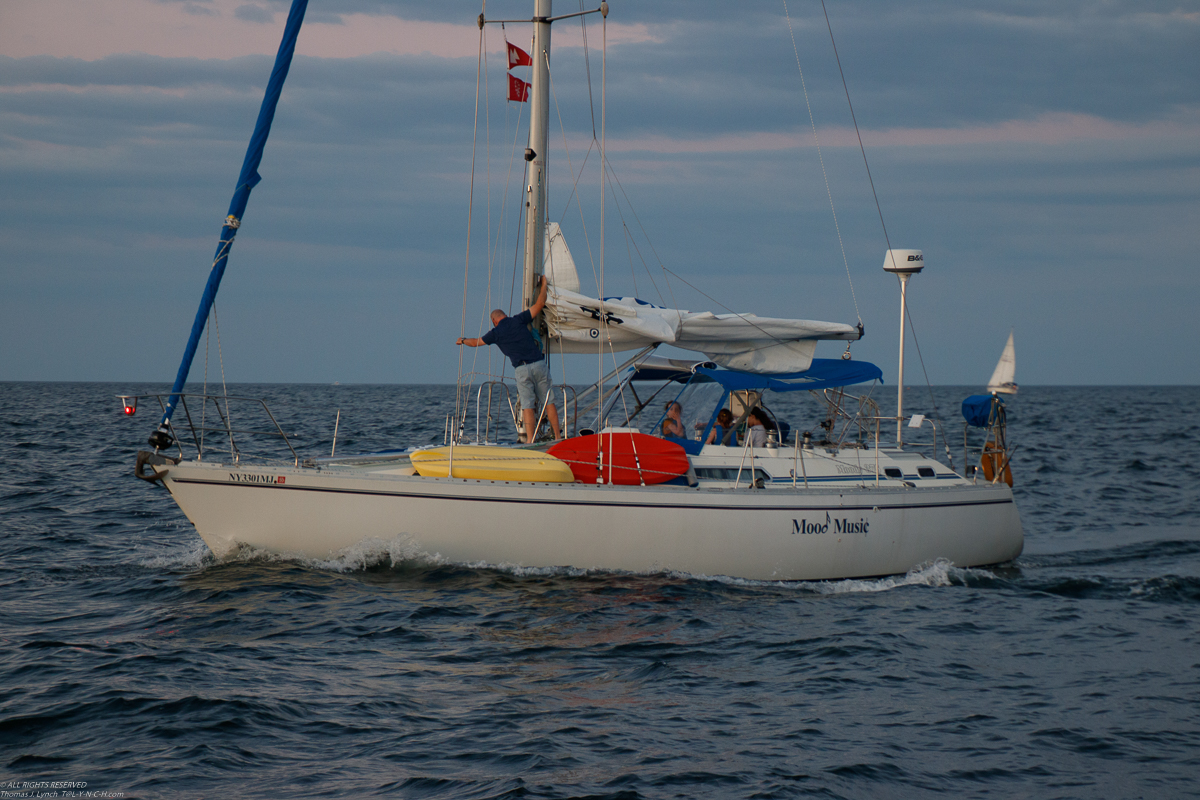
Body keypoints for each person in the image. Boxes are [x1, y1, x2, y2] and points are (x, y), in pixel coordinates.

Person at [457, 275, 562, 443]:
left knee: (527, 405)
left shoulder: (495, 333)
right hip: (539, 364)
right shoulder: (519, 320)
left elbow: (475, 343)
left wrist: (462, 340)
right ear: (505, 315)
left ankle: (530, 441)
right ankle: (558, 437)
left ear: (494, 321)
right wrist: (544, 285)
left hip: (521, 369)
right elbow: (540, 304)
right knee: (549, 402)